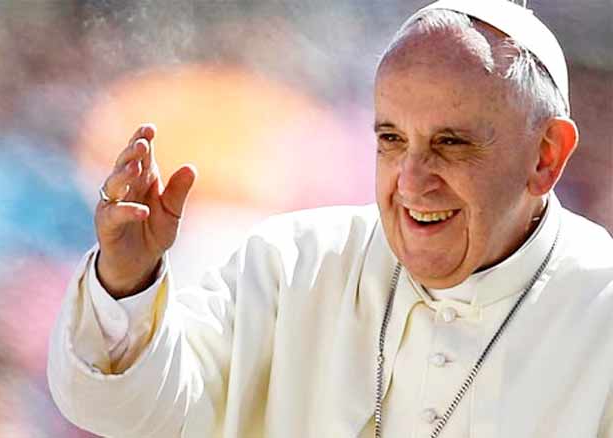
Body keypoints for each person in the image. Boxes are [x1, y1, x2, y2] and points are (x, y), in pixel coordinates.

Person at [47, 0, 613, 436]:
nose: (412, 181)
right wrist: (126, 280)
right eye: (391, 140)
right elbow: (134, 412)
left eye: (451, 143)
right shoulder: (293, 265)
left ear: (545, 156)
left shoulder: (601, 304)